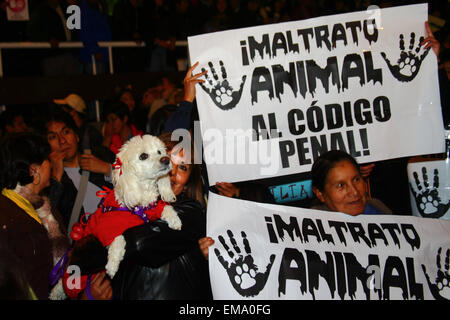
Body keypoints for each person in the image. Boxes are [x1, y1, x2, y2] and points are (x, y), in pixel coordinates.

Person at [111, 130, 211, 299]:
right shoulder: (121, 204)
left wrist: (111, 239)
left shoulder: (191, 212)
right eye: (167, 159)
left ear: (188, 183)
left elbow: (139, 244)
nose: (171, 170)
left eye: (183, 167)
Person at [0, 133, 66, 299]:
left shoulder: (44, 208)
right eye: (47, 160)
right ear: (34, 170)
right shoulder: (7, 218)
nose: (51, 164)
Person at [39, 108, 115, 230]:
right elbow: (48, 223)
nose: (62, 141)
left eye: (66, 132)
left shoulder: (101, 155)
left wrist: (108, 170)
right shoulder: (46, 180)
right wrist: (57, 178)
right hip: (86, 244)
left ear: (76, 136)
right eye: (53, 137)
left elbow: (138, 186)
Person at [310, 150, 392, 216]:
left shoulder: (379, 209)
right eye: (340, 185)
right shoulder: (310, 226)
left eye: (356, 180)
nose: (354, 192)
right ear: (320, 193)